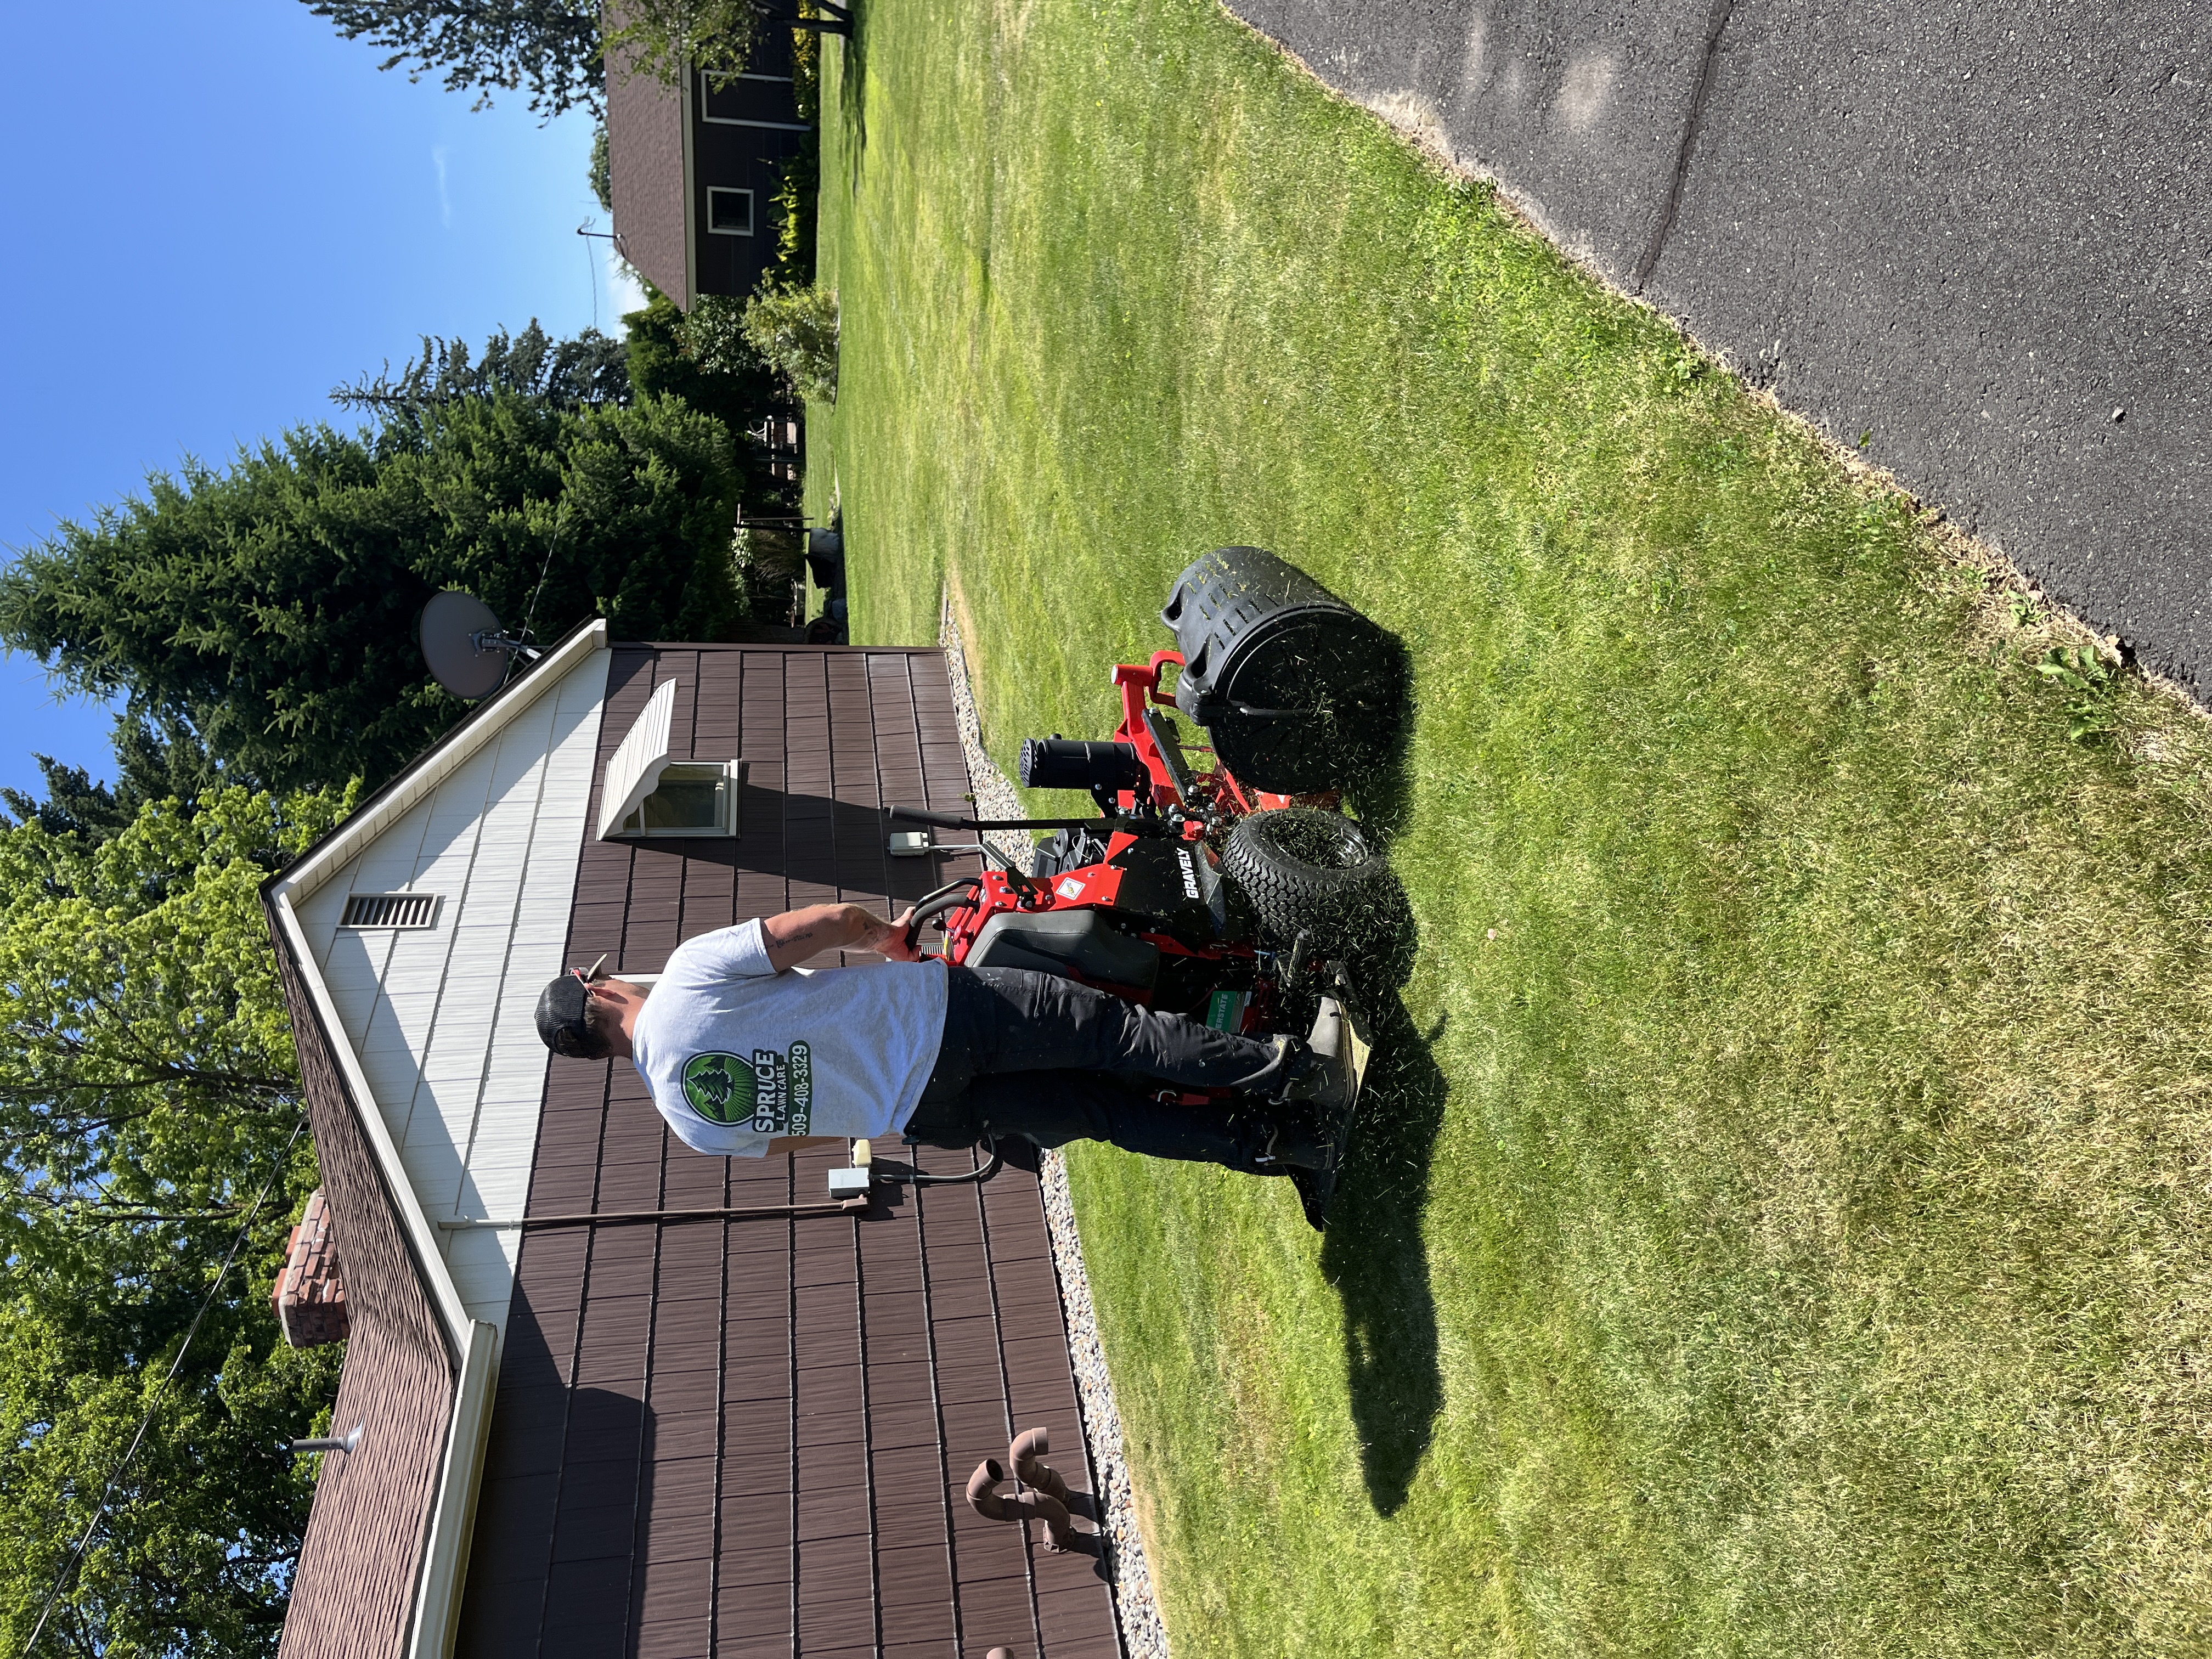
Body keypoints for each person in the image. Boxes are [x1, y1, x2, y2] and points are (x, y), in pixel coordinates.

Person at [532, 901, 1354, 1175]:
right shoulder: (683, 975)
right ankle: (1300, 1072)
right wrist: (886, 937)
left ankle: (1278, 1143)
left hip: (926, 1118)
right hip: (940, 1018)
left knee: (1101, 1114)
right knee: (1115, 1034)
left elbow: (795, 1140)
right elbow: (819, 927)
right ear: (601, 989)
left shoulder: (687, 1123)